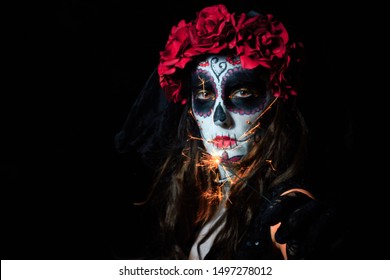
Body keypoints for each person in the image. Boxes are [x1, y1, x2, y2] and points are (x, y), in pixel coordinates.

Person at [115, 3, 345, 260]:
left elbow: (298, 234)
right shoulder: (195, 201)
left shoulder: (285, 206)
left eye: (242, 93)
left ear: (274, 104)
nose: (219, 118)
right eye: (204, 94)